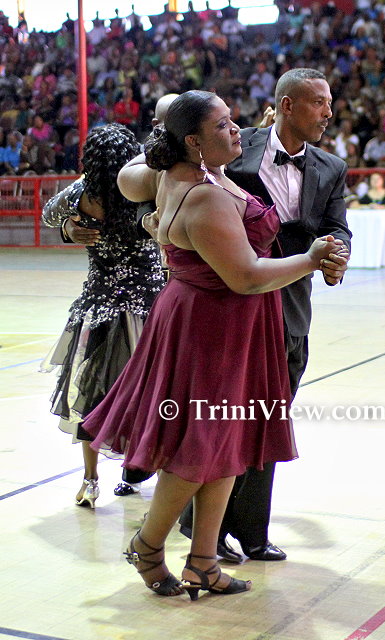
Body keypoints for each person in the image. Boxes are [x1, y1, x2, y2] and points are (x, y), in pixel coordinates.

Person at [82, 90, 343, 599]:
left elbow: (142, 184)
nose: (236, 129)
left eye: (232, 120)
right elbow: (245, 276)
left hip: (230, 322)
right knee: (199, 447)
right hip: (211, 326)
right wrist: (311, 260)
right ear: (192, 142)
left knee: (228, 444)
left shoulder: (202, 175)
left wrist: (157, 220)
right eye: (222, 125)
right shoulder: (202, 193)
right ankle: (148, 545)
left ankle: (203, 562)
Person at [179, 68, 351, 563]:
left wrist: (337, 255)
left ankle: (252, 532)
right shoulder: (234, 146)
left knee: (269, 421)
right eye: (319, 102)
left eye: (330, 102)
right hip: (231, 304)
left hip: (291, 309)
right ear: (288, 105)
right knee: (220, 421)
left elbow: (337, 226)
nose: (329, 112)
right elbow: (169, 180)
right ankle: (200, 527)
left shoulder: (332, 167)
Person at [40, 124, 165, 507]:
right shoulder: (144, 192)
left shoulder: (81, 194)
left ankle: (90, 480)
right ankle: (154, 474)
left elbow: (48, 214)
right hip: (149, 304)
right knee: (155, 394)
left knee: (91, 395)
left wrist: (68, 226)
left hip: (99, 306)